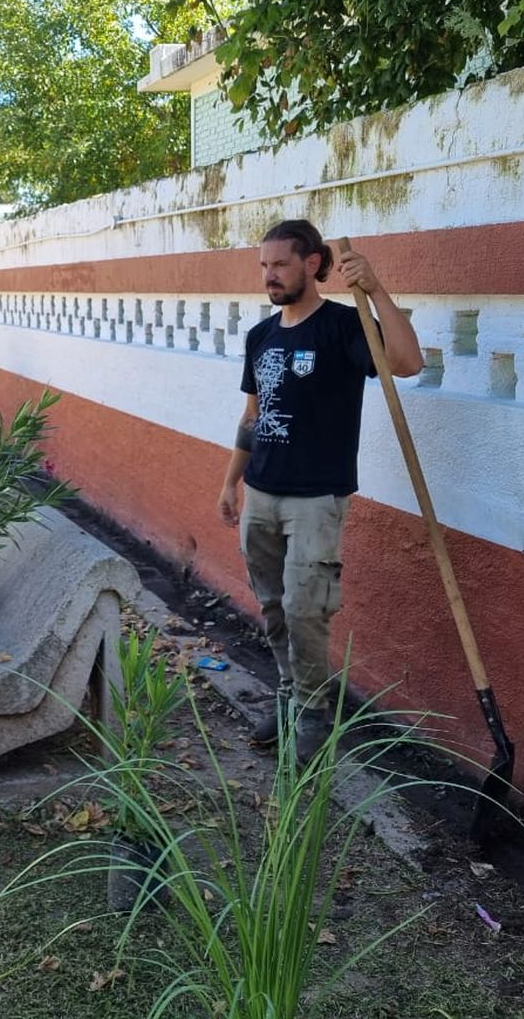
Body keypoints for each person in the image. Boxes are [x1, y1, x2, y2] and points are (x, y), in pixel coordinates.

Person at [216, 221, 424, 762]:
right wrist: (230, 481)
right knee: (274, 606)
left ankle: (312, 712)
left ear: (313, 264)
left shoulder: (343, 326)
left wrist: (376, 290)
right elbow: (252, 416)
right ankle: (289, 697)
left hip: (316, 499)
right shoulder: (260, 337)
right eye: (264, 266)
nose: (269, 276)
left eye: (280, 264)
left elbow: (407, 363)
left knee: (308, 608)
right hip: (260, 492)